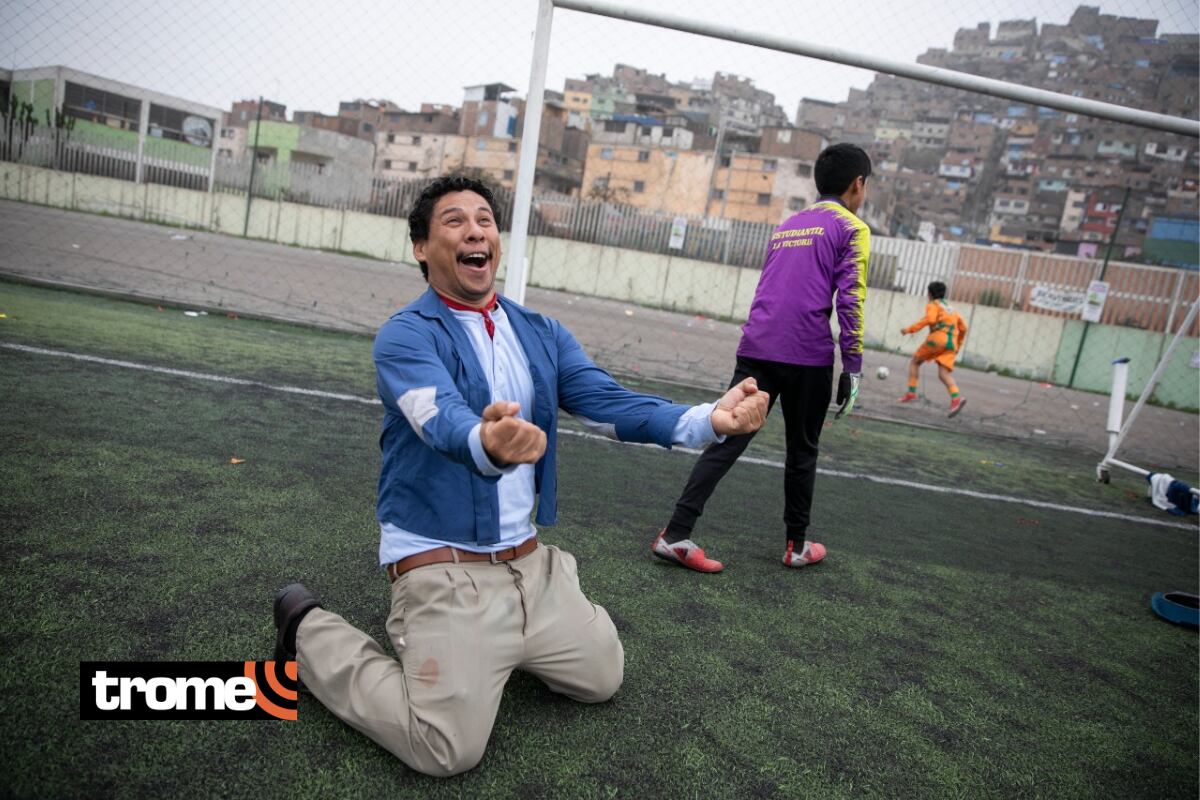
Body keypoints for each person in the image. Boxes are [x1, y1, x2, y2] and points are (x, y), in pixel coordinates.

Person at [270, 175, 769, 777]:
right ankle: (309, 631)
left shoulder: (541, 332)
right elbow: (438, 417)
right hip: (442, 569)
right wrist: (488, 442)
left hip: (530, 566)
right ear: (421, 248)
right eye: (454, 221)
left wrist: (710, 420)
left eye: (484, 219)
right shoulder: (405, 335)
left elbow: (609, 403)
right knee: (446, 750)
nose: (475, 231)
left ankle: (507, 640)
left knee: (602, 677)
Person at [651, 143, 872, 574]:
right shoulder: (853, 227)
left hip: (757, 345)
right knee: (802, 449)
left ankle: (675, 533)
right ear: (858, 184)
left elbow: (770, 287)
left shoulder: (788, 224)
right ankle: (796, 546)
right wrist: (853, 366)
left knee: (728, 437)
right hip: (807, 354)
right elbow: (851, 299)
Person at [898, 281, 968, 417]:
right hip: (952, 344)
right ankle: (956, 398)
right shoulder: (951, 309)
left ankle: (911, 392)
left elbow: (930, 319)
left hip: (937, 339)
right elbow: (964, 328)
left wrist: (909, 329)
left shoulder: (933, 305)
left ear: (929, 294)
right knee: (943, 374)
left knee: (915, 362)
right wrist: (958, 345)